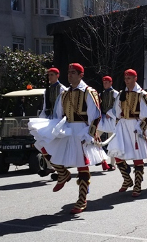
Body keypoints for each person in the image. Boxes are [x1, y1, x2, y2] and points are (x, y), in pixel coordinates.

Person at [35, 64, 105, 214]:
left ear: (81, 75)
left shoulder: (88, 92)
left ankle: (82, 199)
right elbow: (57, 115)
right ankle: (63, 173)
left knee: (82, 165)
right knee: (43, 145)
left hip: (82, 130)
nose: (70, 75)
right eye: (69, 72)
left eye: (73, 73)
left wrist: (90, 134)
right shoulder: (64, 94)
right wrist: (51, 130)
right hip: (67, 129)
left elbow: (96, 115)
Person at [107, 69, 147, 197]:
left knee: (137, 156)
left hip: (135, 125)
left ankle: (138, 184)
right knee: (117, 153)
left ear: (135, 78)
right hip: (122, 125)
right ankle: (127, 179)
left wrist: (142, 128)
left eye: (129, 78)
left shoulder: (142, 94)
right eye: (125, 78)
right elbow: (116, 111)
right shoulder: (121, 93)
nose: (126, 81)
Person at [29, 67, 68, 177]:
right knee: (42, 142)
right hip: (49, 120)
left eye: (52, 74)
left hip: (59, 121)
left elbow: (64, 107)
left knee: (57, 146)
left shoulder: (63, 89)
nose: (50, 77)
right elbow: (46, 106)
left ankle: (59, 170)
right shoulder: (47, 90)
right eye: (49, 75)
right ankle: (51, 167)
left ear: (57, 75)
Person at [97, 76, 119, 171]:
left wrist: (111, 113)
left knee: (112, 142)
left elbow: (118, 107)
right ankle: (102, 159)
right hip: (103, 119)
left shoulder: (115, 94)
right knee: (96, 139)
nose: (105, 84)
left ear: (111, 83)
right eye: (104, 82)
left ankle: (112, 163)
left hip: (111, 119)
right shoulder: (101, 94)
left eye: (107, 82)